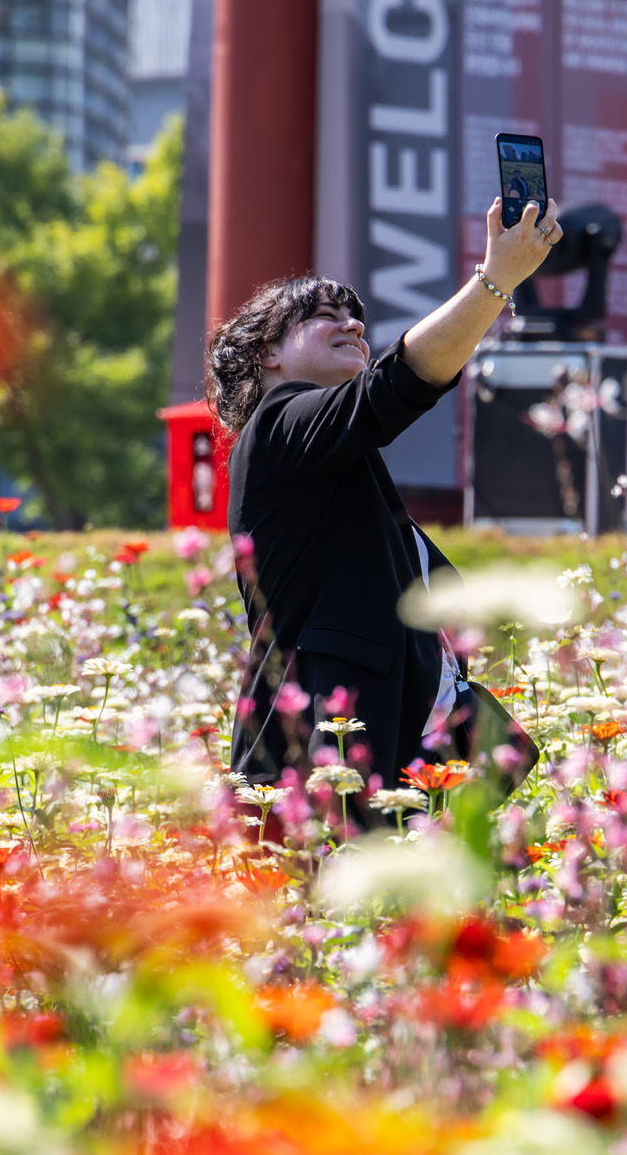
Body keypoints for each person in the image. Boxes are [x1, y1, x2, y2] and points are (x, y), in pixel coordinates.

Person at [206, 196, 562, 802]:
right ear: (267, 353)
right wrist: (495, 281)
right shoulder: (275, 426)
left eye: (357, 317)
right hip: (323, 774)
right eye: (324, 315)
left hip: (391, 771)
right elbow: (397, 385)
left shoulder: (337, 461)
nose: (354, 325)